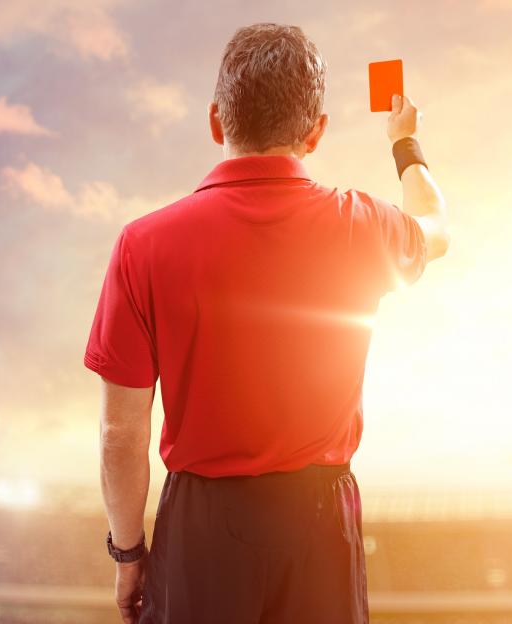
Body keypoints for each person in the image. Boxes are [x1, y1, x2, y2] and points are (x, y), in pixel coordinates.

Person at [83, 22, 449, 624]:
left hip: (202, 525)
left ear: (216, 121)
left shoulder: (142, 246)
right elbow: (436, 225)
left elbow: (120, 434)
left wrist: (128, 553)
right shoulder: (361, 226)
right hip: (322, 519)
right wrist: (404, 143)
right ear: (316, 132)